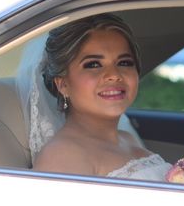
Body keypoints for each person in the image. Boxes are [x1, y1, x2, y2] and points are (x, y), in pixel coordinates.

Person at [26, 13, 172, 180]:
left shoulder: (127, 138)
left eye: (124, 62)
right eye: (93, 64)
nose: (114, 75)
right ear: (63, 84)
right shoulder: (62, 154)